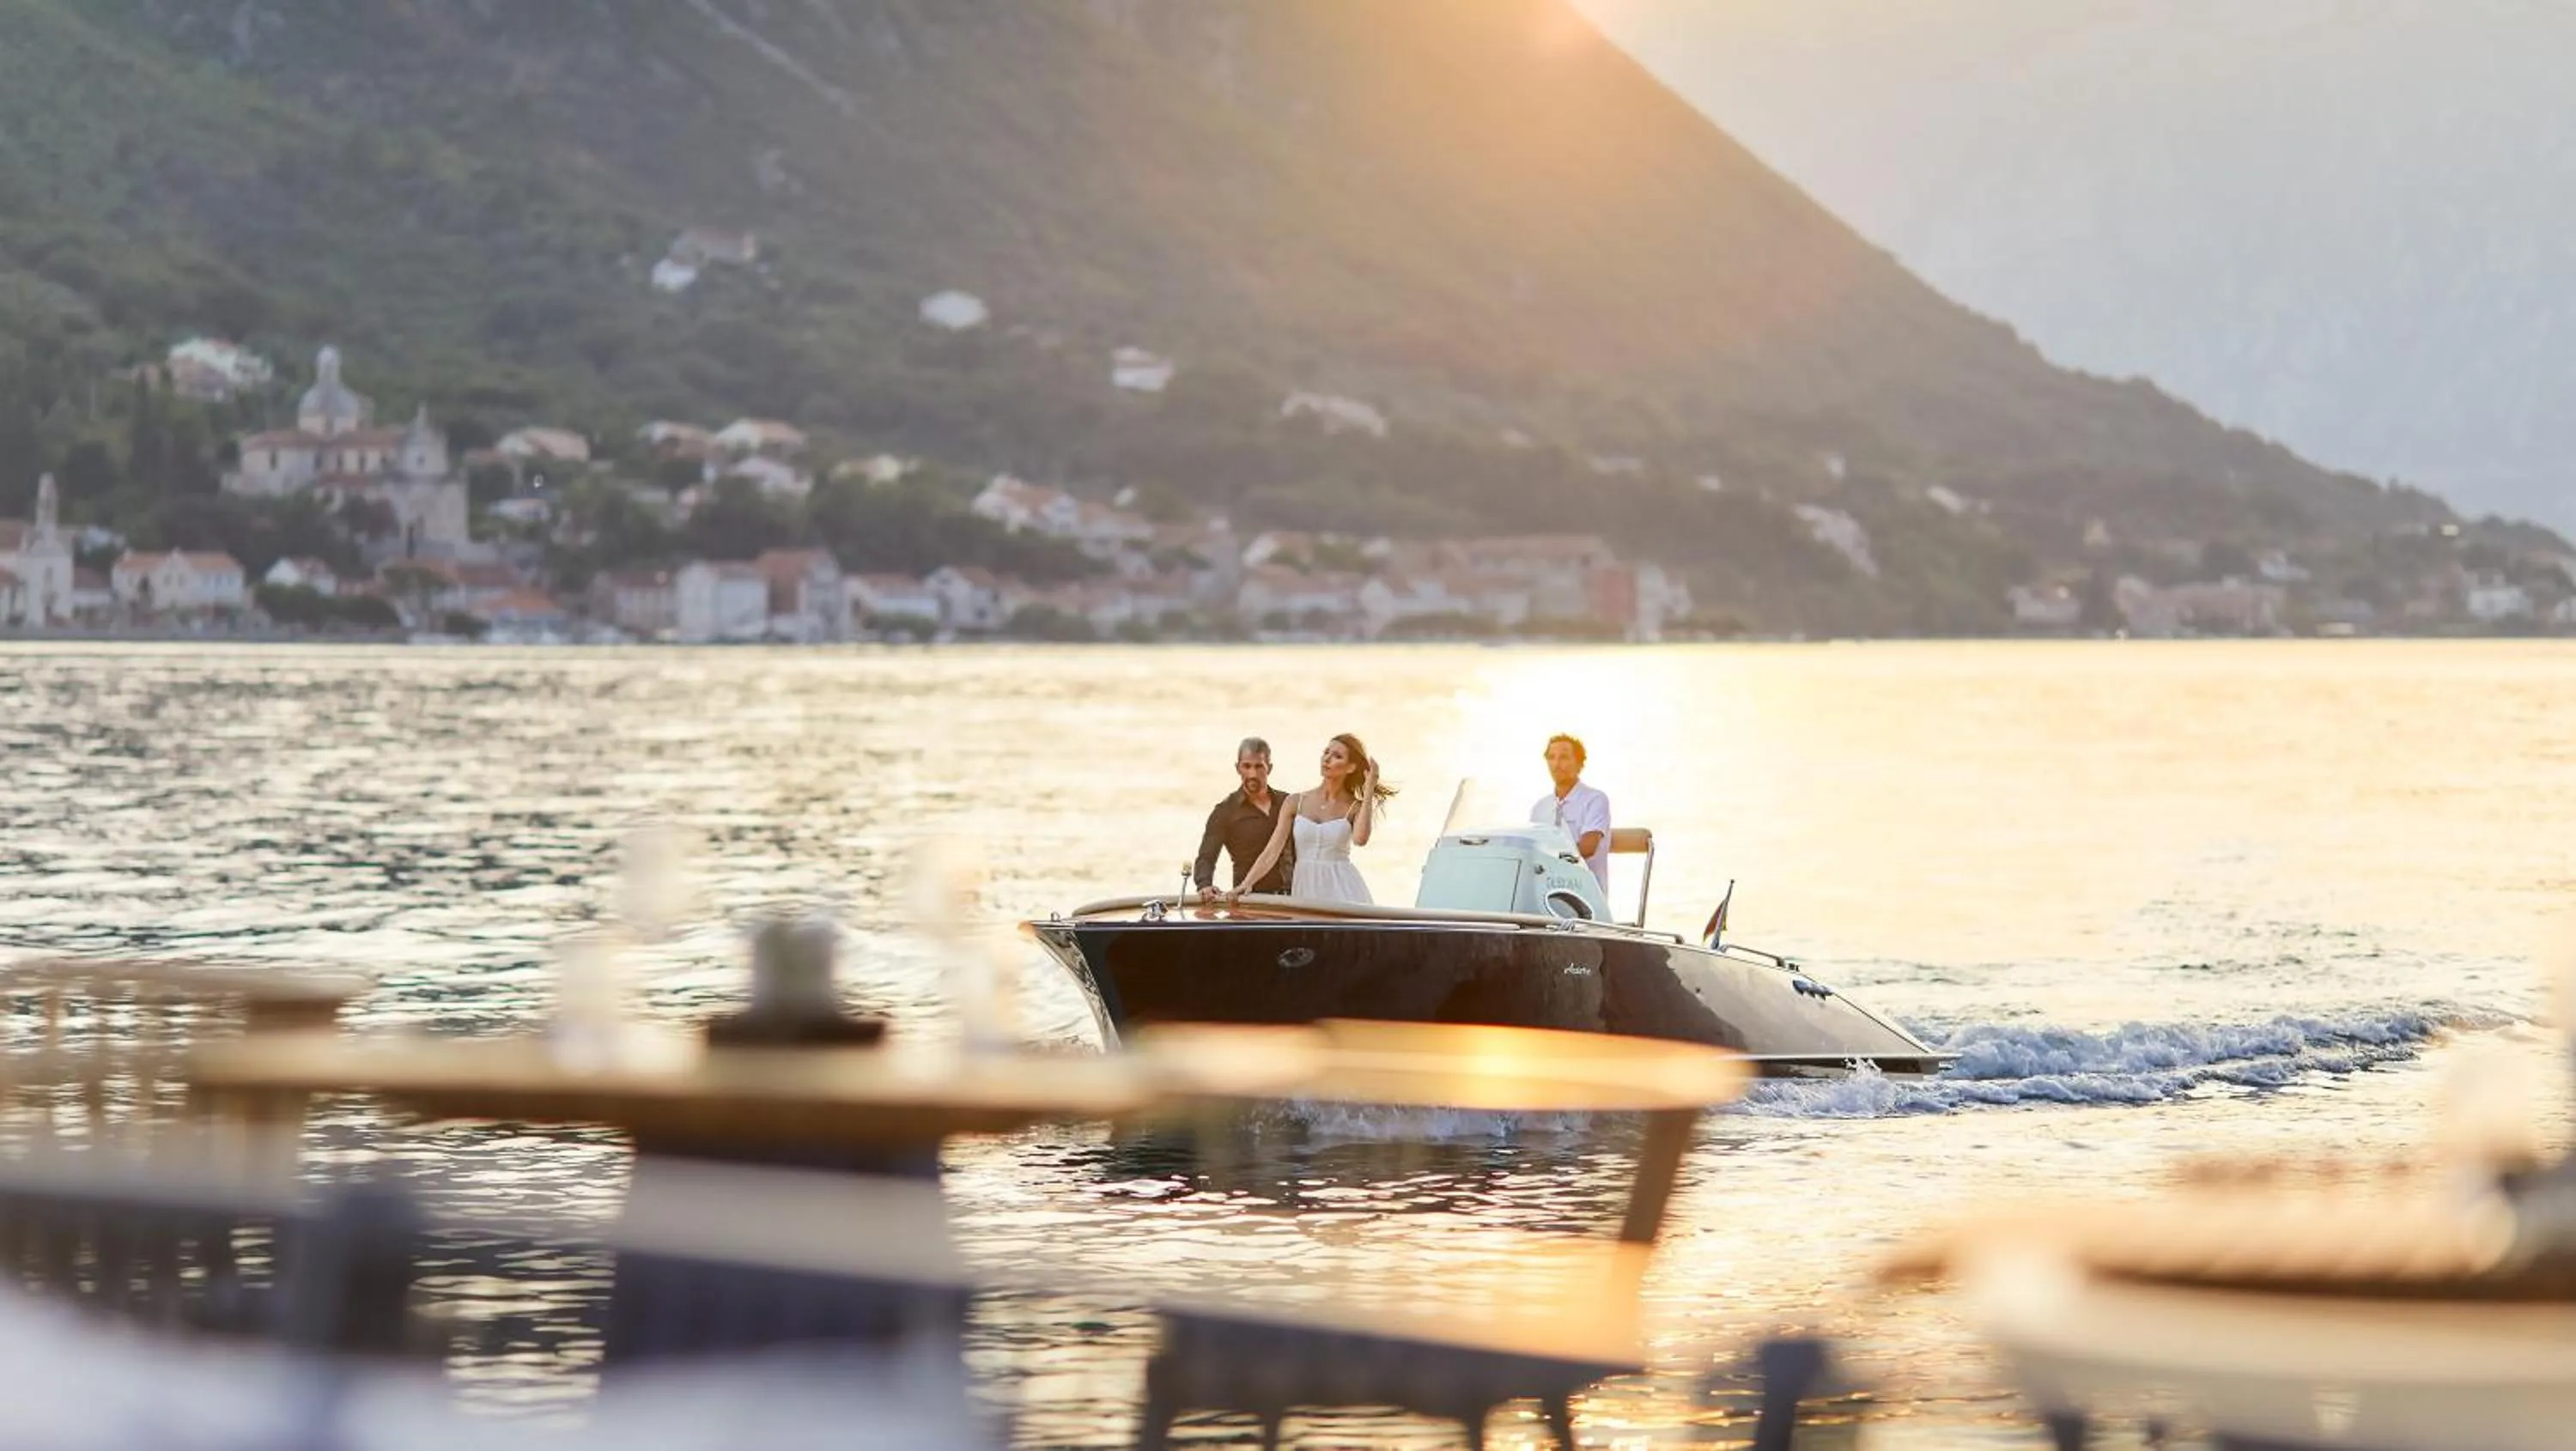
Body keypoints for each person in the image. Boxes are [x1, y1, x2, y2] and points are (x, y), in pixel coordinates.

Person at [1230, 733, 1394, 905]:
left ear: (1351, 768)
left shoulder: (1354, 807)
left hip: (1344, 890)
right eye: (1326, 752)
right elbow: (1272, 851)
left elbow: (1360, 840)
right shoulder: (1295, 802)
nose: (1327, 759)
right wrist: (1247, 883)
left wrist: (1369, 791)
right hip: (1306, 888)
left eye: (1337, 756)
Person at [1194, 737, 1295, 901]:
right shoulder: (1225, 811)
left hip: (1294, 900)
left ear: (1269, 768)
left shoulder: (1288, 803)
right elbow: (1206, 857)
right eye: (1246, 766)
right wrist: (1204, 885)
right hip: (1249, 901)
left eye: (1259, 766)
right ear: (1238, 768)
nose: (1252, 774)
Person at [1533, 733, 1611, 892]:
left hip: (1585, 893)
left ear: (1580, 764)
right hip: (1547, 891)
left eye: (1564, 757)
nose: (1556, 764)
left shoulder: (1595, 800)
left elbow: (1588, 848)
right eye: (1551, 757)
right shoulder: (1540, 807)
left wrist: (1547, 858)